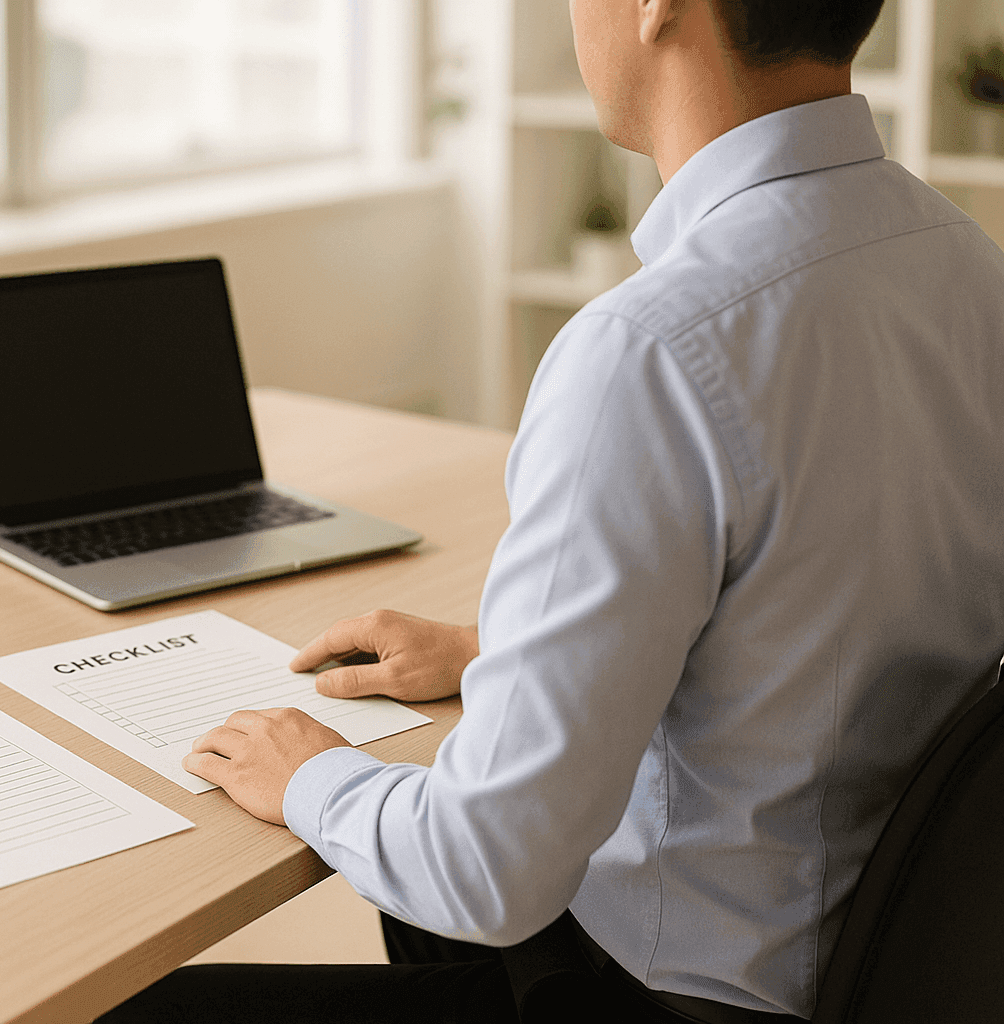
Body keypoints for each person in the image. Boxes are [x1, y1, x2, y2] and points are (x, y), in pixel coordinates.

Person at [99, 0, 1004, 1020]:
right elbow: (830, 615)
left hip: (680, 991)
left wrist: (308, 776)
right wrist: (506, 651)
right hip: (881, 958)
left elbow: (483, 870)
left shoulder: (652, 351)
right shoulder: (968, 265)